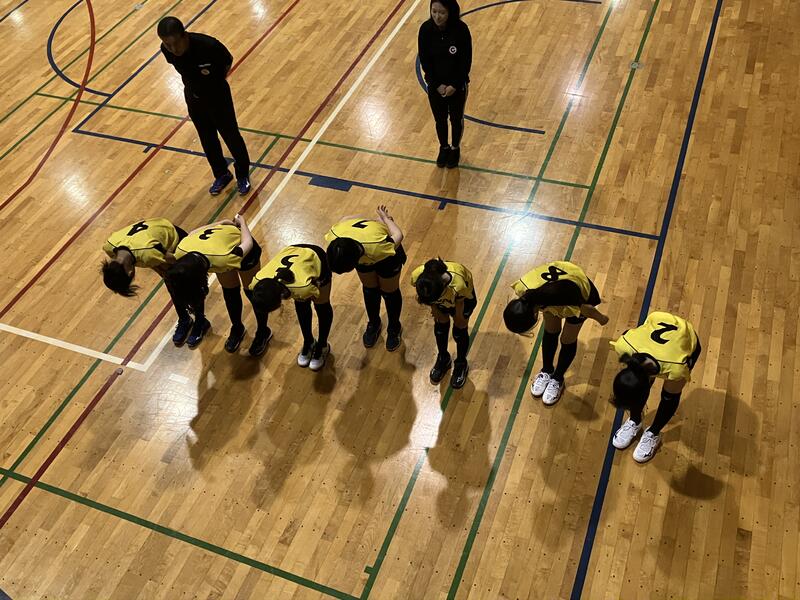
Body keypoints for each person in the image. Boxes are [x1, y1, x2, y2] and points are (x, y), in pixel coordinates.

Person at [157, 16, 251, 195]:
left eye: (175, 43)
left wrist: (213, 82)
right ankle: (221, 174)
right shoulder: (166, 50)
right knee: (207, 138)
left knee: (231, 136)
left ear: (184, 35)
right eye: (168, 45)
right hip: (194, 98)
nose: (173, 49)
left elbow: (227, 61)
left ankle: (243, 174)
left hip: (218, 97)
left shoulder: (209, 46)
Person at [503, 261, 608, 406]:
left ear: (535, 313)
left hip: (580, 294)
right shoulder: (523, 290)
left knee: (567, 339)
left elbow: (588, 309)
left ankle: (558, 378)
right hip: (556, 287)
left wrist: (602, 319)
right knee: (551, 330)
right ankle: (546, 370)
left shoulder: (566, 300)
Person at [609, 311, 702, 463]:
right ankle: (635, 420)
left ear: (648, 388)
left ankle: (654, 432)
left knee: (670, 395)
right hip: (657, 320)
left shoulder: (676, 367)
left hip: (684, 339)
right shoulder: (622, 345)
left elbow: (674, 381)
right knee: (634, 387)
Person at [166, 214, 265, 352]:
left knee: (253, 293)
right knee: (230, 292)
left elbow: (248, 243)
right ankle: (237, 327)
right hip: (216, 250)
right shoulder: (181, 251)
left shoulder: (223, 259)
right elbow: (193, 233)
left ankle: (263, 332)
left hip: (242, 249)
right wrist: (220, 222)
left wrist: (242, 223)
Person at [325, 205, 405, 351]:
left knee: (390, 292)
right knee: (370, 289)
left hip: (386, 255)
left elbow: (398, 235)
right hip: (361, 250)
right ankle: (374, 323)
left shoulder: (378, 246)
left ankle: (394, 327)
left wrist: (385, 219)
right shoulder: (333, 235)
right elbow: (345, 219)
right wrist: (370, 220)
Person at [102, 217, 193, 345]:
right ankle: (185, 317)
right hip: (151, 236)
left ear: (130, 273)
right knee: (170, 279)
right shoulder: (109, 245)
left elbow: (173, 260)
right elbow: (148, 257)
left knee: (182, 278)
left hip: (174, 236)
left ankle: (198, 319)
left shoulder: (147, 253)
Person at [250, 244, 334, 368]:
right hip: (292, 252)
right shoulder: (256, 282)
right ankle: (308, 341)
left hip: (315, 256)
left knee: (321, 306)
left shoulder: (302, 287)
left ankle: (322, 345)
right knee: (301, 305)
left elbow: (315, 293)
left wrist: (313, 283)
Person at [418, 0, 472, 168]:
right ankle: (444, 147)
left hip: (457, 87)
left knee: (456, 119)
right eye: (434, 11)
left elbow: (466, 61)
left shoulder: (461, 30)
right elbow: (425, 61)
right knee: (440, 120)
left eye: (442, 13)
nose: (437, 16)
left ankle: (455, 148)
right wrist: (436, 85)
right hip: (436, 87)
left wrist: (454, 85)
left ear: (450, 12)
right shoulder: (425, 30)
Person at [410, 258, 476, 389]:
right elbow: (429, 299)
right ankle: (443, 358)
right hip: (437, 297)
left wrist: (459, 320)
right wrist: (434, 308)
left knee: (459, 331)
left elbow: (460, 306)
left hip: (462, 301)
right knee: (441, 326)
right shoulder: (418, 276)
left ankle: (461, 363)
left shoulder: (458, 284)